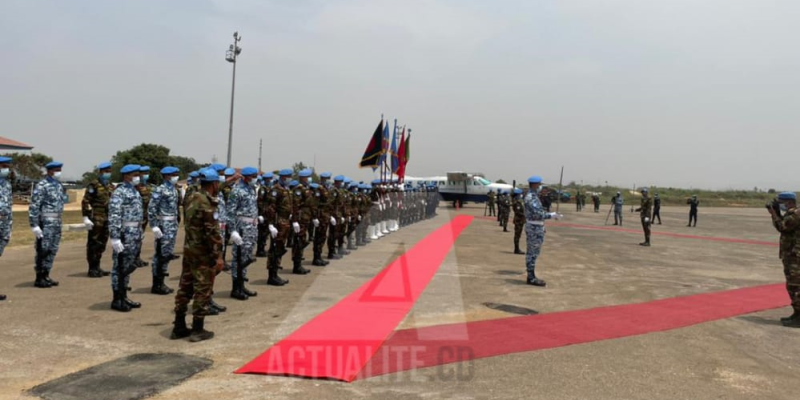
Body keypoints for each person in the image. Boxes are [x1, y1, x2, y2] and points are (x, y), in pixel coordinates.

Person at [171, 168, 223, 342]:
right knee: (203, 288)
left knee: (185, 286)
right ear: (215, 184)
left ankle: (178, 325)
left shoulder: (192, 197)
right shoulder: (207, 203)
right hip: (203, 253)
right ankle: (197, 329)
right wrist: (218, 256)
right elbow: (212, 232)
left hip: (190, 249)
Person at [109, 164, 144, 312]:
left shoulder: (134, 191)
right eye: (135, 174)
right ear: (126, 176)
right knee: (120, 267)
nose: (138, 177)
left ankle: (124, 296)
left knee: (128, 266)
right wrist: (115, 237)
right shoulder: (120, 192)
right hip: (124, 233)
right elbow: (114, 215)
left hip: (134, 232)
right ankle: (117, 299)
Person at [29, 161, 68, 288]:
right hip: (46, 222)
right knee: (43, 249)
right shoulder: (42, 185)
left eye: (60, 170)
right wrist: (34, 224)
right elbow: (34, 205)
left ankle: (46, 274)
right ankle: (39, 277)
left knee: (53, 249)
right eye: (57, 170)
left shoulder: (58, 185)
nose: (59, 172)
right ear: (50, 171)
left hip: (56, 221)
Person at [227, 167, 260, 300]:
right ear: (245, 177)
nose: (255, 178)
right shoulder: (237, 191)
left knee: (246, 258)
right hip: (241, 227)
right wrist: (233, 231)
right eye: (253, 176)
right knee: (238, 258)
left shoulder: (251, 189)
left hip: (251, 226)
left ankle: (242, 285)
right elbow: (230, 212)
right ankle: (236, 288)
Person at [768, 192, 800, 328]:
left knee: (796, 286)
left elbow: (782, 227)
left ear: (789, 202)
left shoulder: (796, 214)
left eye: (781, 202)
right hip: (791, 255)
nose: (780, 204)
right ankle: (797, 313)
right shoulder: (792, 213)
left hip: (796, 256)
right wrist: (776, 214)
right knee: (792, 285)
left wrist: (773, 214)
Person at [148, 166, 181, 295]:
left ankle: (162, 282)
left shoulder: (173, 189)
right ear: (167, 176)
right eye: (174, 174)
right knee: (160, 254)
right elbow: (152, 208)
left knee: (167, 253)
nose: (176, 176)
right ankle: (157, 284)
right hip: (163, 224)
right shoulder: (160, 189)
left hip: (172, 223)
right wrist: (154, 225)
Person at [523, 176, 562, 286]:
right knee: (532, 253)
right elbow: (538, 214)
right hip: (534, 228)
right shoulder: (531, 197)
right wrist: (552, 215)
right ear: (535, 185)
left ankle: (532, 275)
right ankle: (530, 277)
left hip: (537, 227)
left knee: (534, 252)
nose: (540, 187)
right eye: (539, 185)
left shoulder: (534, 196)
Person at [82, 162, 114, 278]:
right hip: (96, 217)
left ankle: (98, 266)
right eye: (106, 171)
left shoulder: (110, 185)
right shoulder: (94, 185)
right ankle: (92, 268)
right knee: (93, 243)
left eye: (110, 171)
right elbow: (86, 201)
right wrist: (86, 217)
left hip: (107, 218)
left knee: (102, 243)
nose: (108, 173)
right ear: (100, 172)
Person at [265, 169, 294, 286]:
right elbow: (271, 208)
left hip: (284, 222)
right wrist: (271, 224)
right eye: (289, 177)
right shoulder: (276, 189)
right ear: (283, 177)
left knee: (280, 247)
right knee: (275, 248)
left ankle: (275, 273)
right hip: (278, 223)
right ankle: (272, 275)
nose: (290, 178)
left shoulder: (286, 189)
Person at [0, 156, 14, 300]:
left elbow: (9, 207)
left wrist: (9, 226)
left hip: (4, 224)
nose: (6, 169)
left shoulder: (6, 184)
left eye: (6, 166)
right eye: (3, 166)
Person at [134, 166, 152, 268]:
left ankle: (137, 258)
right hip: (136, 217)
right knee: (134, 239)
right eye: (143, 173)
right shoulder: (135, 186)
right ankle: (132, 259)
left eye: (147, 172)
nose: (146, 175)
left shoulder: (148, 186)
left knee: (140, 238)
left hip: (145, 217)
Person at [511, 188, 526, 254]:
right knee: (517, 235)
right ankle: (516, 249)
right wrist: (525, 215)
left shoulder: (519, 201)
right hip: (518, 220)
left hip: (521, 220)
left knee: (518, 235)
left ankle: (517, 248)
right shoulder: (517, 202)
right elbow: (518, 211)